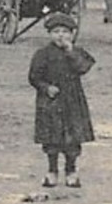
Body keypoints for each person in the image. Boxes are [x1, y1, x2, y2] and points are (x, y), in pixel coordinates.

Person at [28, 12, 95, 188]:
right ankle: (52, 171)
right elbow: (33, 77)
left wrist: (70, 51)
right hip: (50, 102)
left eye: (65, 32)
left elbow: (83, 68)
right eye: (56, 31)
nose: (61, 36)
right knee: (51, 138)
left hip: (72, 101)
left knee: (73, 138)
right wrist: (46, 88)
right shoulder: (42, 54)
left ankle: (71, 171)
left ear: (72, 34)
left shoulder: (77, 52)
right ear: (50, 34)